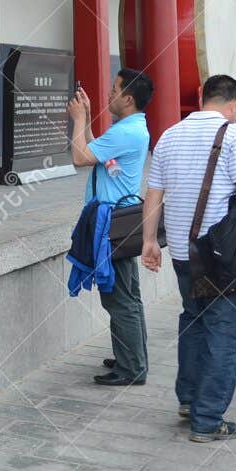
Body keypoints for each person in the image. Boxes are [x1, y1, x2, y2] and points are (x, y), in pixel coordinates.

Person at [140, 74, 236, 443]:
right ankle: (208, 420)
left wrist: (149, 241)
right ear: (234, 105)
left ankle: (189, 399)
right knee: (223, 334)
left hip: (182, 254)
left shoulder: (169, 135)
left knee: (193, 322)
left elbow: (153, 194)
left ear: (203, 98)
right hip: (222, 258)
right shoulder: (234, 134)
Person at [67, 68, 153, 386]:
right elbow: (95, 151)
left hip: (113, 223)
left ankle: (132, 369)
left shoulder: (126, 132)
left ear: (128, 98)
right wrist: (87, 115)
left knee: (120, 299)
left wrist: (76, 120)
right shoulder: (130, 128)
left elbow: (79, 157)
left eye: (114, 89)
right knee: (127, 295)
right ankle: (131, 359)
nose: (108, 94)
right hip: (121, 220)